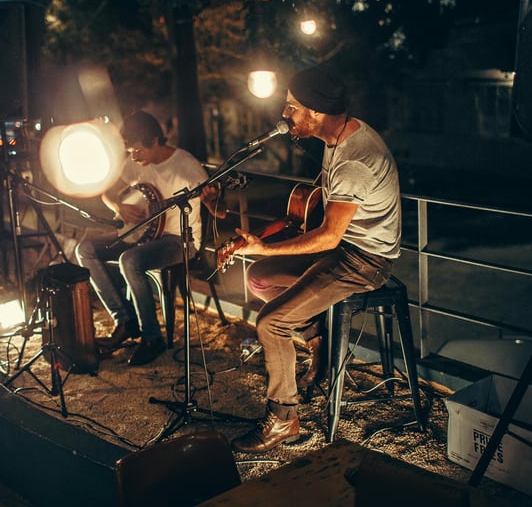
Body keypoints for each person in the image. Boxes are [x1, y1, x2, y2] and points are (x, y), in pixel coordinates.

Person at [229, 62, 402, 453]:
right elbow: (328, 206)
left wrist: (266, 245)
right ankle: (316, 337)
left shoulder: (355, 159)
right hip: (343, 248)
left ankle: (283, 419)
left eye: (292, 106)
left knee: (271, 322)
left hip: (364, 260)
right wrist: (276, 239)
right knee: (260, 276)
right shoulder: (336, 137)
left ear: (317, 111)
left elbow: (329, 236)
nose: (284, 113)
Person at [75, 110, 223, 366]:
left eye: (138, 150)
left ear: (155, 141)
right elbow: (108, 192)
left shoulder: (185, 165)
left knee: (129, 260)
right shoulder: (135, 163)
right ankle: (125, 320)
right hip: (140, 234)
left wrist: (213, 201)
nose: (133, 156)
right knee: (85, 249)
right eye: (130, 150)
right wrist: (118, 207)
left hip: (179, 240)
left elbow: (219, 212)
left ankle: (152, 337)